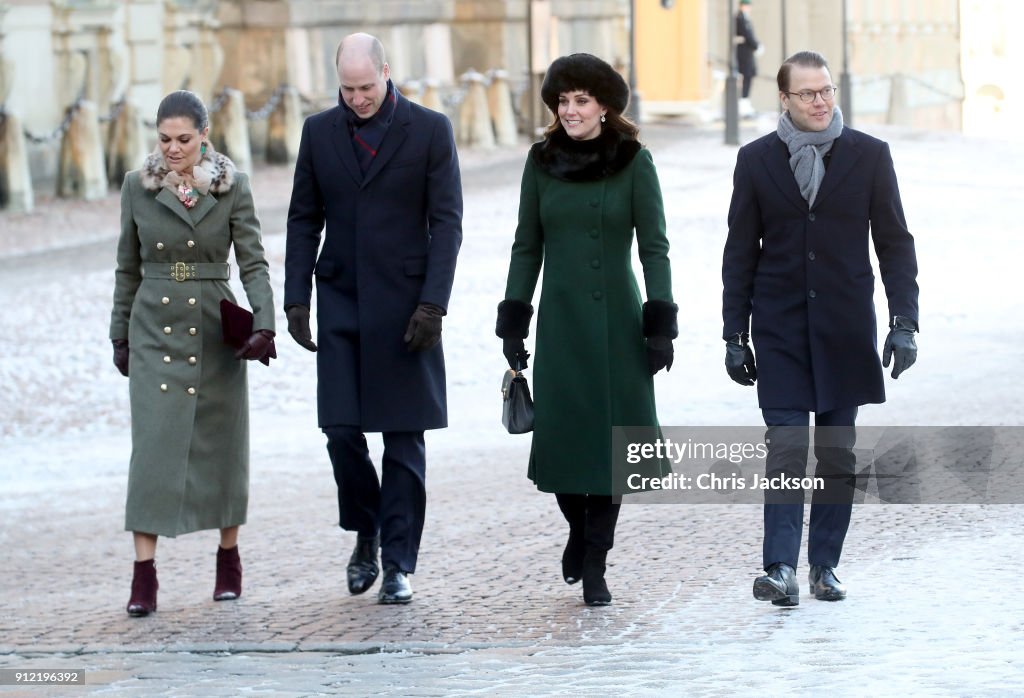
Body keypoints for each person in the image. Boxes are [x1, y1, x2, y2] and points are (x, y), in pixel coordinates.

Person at [721, 51, 919, 606]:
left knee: (836, 453)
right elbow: (739, 252)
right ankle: (780, 567)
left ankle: (824, 565)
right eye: (807, 93)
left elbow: (895, 243)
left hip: (844, 327)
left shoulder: (869, 156)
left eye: (826, 91)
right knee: (786, 447)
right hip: (780, 326)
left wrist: (905, 321)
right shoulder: (757, 161)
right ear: (783, 99)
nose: (820, 101)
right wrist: (733, 333)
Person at [284, 33, 462, 605]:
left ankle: (399, 563)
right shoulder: (318, 132)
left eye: (366, 87)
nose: (357, 98)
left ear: (387, 72)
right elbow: (302, 219)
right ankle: (366, 527)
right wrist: (296, 299)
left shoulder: (430, 130)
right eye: (348, 88)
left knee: (403, 439)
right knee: (339, 430)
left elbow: (448, 222)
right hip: (340, 300)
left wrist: (434, 303)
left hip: (408, 306)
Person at [496, 53, 676, 607]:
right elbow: (527, 245)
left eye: (581, 101)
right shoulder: (540, 161)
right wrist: (514, 316)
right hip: (561, 326)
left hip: (618, 321)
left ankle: (596, 559)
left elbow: (654, 247)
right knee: (565, 445)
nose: (570, 110)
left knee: (612, 450)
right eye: (563, 101)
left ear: (603, 107)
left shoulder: (633, 161)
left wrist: (660, 321)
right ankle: (579, 528)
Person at [109, 90, 276, 617]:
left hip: (212, 327)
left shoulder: (232, 188)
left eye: (184, 139)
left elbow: (253, 261)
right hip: (153, 325)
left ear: (205, 134)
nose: (173, 149)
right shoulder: (138, 187)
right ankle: (143, 576)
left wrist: (266, 323)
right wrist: (119, 333)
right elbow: (127, 267)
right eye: (164, 140)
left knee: (221, 449)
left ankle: (228, 559)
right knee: (152, 450)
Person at [735, 0, 761, 116]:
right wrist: (757, 45)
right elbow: (747, 35)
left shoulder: (745, 18)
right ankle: (743, 102)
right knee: (746, 76)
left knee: (749, 76)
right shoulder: (740, 18)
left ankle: (745, 101)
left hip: (748, 52)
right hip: (744, 53)